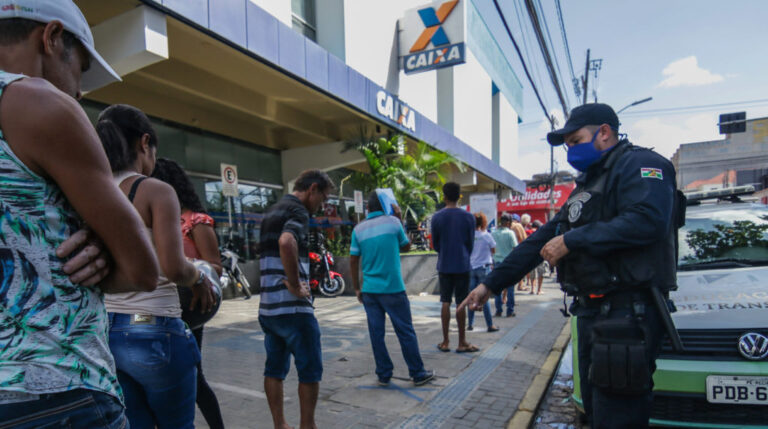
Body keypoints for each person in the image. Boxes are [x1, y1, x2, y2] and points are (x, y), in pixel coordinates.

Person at [460, 103, 680, 429]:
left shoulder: (642, 164)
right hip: (594, 315)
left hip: (627, 316)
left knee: (617, 416)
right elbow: (542, 241)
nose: (571, 151)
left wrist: (574, 241)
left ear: (604, 132)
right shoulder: (588, 185)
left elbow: (648, 221)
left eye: (576, 141)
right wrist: (491, 284)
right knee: (595, 410)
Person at [0, 3, 161, 427]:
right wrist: (107, 253)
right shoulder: (37, 103)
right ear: (51, 38)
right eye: (82, 68)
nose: (79, 91)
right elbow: (143, 268)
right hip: (55, 388)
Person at [97, 104, 216, 429]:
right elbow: (174, 267)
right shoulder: (155, 191)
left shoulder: (92, 189)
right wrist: (198, 278)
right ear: (144, 143)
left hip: (106, 330)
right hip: (156, 327)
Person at [152, 157, 226, 429]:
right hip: (155, 309)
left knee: (194, 376)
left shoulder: (196, 221)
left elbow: (215, 266)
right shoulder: (155, 219)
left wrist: (189, 271)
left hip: (188, 308)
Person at [259, 169, 334, 429]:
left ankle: (280, 425)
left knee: (274, 370)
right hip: (293, 310)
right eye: (322, 198)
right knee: (310, 369)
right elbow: (286, 241)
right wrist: (293, 283)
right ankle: (307, 425)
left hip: (268, 309)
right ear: (312, 189)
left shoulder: (271, 210)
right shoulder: (298, 211)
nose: (321, 206)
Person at [349, 192, 435, 387]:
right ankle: (418, 373)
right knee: (405, 331)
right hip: (393, 289)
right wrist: (399, 219)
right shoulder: (393, 223)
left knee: (376, 333)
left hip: (369, 290)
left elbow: (353, 259)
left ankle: (383, 373)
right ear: (385, 206)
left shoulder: (358, 229)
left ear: (368, 208)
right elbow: (406, 247)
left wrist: (356, 287)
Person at [430, 182, 478, 353]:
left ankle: (445, 341)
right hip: (462, 264)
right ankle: (462, 341)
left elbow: (435, 244)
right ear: (459, 196)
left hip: (444, 264)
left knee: (445, 301)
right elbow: (470, 243)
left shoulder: (437, 217)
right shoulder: (469, 217)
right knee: (461, 302)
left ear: (444, 197)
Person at [467, 212, 499, 332]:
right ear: (484, 222)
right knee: (484, 297)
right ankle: (489, 325)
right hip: (484, 268)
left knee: (471, 297)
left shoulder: (469, 236)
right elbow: (493, 250)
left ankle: (470, 324)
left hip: (471, 268)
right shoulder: (487, 236)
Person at [492, 213, 518, 317]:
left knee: (497, 287)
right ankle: (510, 310)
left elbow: (492, 249)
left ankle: (498, 310)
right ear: (507, 223)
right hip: (508, 262)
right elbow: (515, 248)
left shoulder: (493, 233)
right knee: (510, 288)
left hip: (497, 262)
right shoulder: (510, 233)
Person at [509, 214, 528, 291]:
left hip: (506, 252)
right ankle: (520, 285)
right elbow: (524, 238)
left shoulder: (504, 226)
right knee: (520, 269)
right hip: (517, 250)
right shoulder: (518, 226)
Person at [528, 220, 547, 295]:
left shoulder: (529, 232)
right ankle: (539, 290)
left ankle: (532, 289)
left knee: (532, 272)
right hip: (540, 254)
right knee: (541, 272)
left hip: (531, 254)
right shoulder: (542, 233)